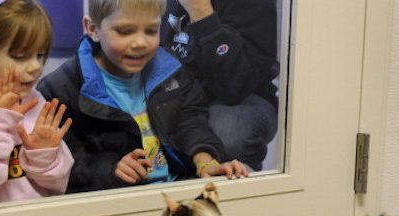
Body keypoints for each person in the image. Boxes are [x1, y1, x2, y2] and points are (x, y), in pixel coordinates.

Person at [37, 0, 248, 194]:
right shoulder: (60, 89)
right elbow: (59, 166)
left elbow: (190, 121)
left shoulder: (172, 68)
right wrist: (111, 170)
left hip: (178, 190)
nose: (140, 42)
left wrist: (205, 161)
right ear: (93, 29)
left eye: (151, 30)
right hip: (115, 201)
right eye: (125, 31)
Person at [161, 0, 279, 171]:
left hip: (238, 96)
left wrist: (201, 13)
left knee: (228, 131)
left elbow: (235, 86)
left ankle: (235, 181)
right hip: (175, 91)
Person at [0, 0, 74, 204]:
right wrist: (0, 122)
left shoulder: (36, 102)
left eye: (40, 55)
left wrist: (43, 155)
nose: (35, 66)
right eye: (20, 56)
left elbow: (59, 184)